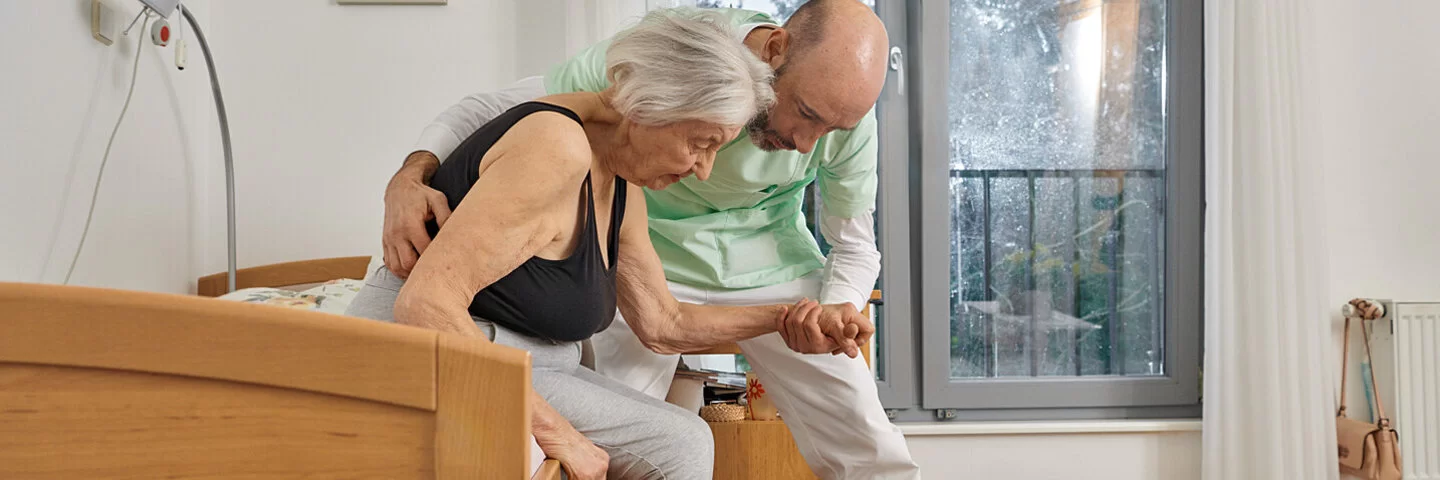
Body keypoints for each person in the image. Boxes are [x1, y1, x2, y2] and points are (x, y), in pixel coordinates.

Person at [381, 1, 921, 478]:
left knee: (707, 438)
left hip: (761, 262)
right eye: (701, 143)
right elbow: (427, 302)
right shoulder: (584, 123)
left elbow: (666, 324)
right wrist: (410, 176)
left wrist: (806, 315)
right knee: (611, 447)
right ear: (645, 105)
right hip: (463, 347)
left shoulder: (623, 187)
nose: (807, 145)